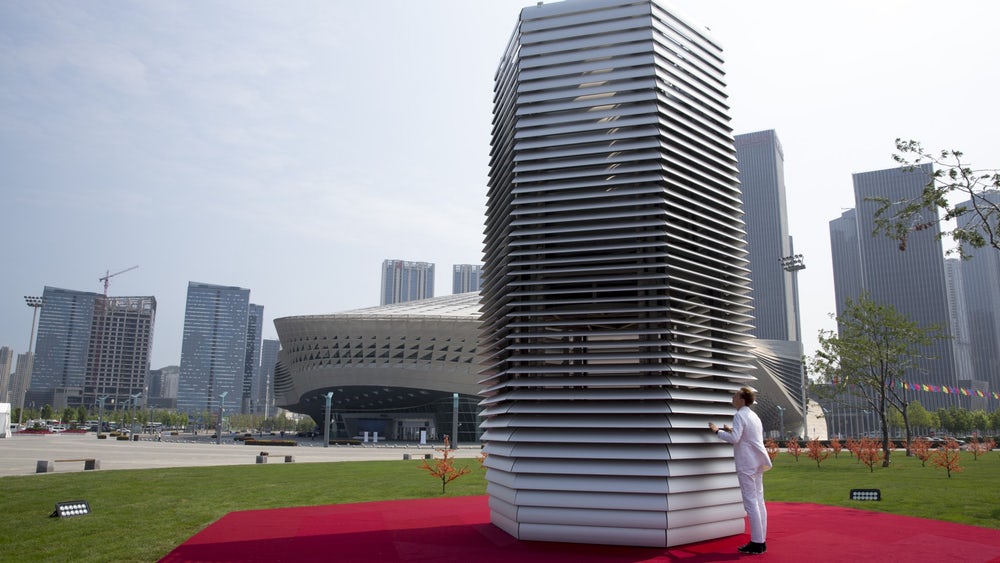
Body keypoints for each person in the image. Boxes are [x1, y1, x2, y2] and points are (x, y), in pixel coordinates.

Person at [709, 387, 772, 555]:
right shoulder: (753, 416)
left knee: (751, 502)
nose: (733, 397)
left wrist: (717, 431)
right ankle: (761, 541)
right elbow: (747, 436)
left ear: (742, 400)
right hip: (757, 462)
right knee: (759, 500)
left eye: (735, 396)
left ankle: (757, 542)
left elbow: (735, 439)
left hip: (746, 463)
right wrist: (731, 430)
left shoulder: (739, 415)